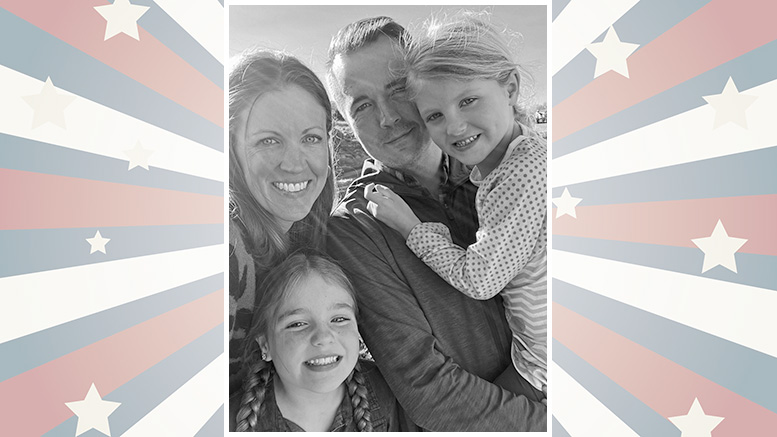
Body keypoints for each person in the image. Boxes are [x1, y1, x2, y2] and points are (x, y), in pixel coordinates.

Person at [325, 16, 546, 431]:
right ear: (347, 126)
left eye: (396, 91)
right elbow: (430, 391)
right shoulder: (356, 229)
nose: (388, 117)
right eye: (363, 105)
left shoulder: (506, 174)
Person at [228, 48, 336, 400]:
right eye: (268, 141)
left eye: (311, 138)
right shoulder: (222, 247)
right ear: (231, 148)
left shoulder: (304, 244)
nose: (294, 164)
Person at [231, 250, 415, 431]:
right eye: (298, 324)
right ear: (265, 345)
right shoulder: (227, 422)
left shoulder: (392, 392)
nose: (324, 337)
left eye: (339, 319)